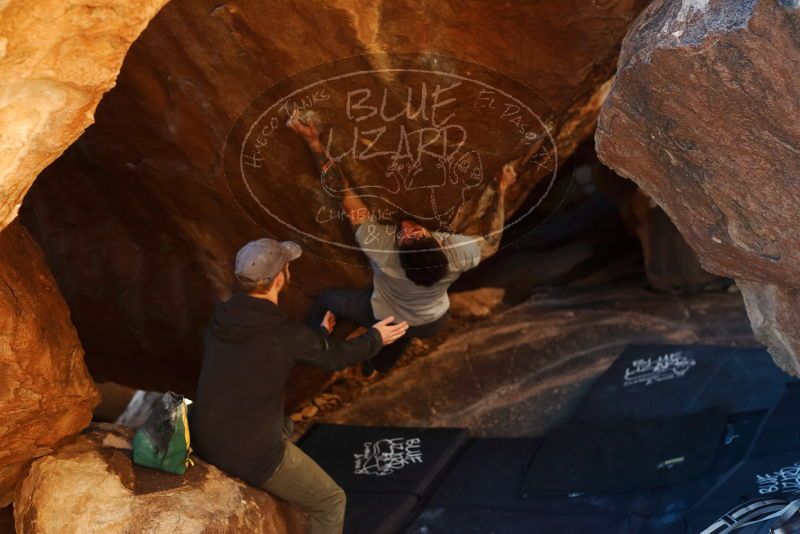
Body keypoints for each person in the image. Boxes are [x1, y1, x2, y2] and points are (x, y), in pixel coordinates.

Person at [190, 238, 409, 534]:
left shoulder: (223, 316)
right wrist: (376, 338)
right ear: (280, 278)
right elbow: (337, 358)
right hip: (248, 453)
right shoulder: (284, 334)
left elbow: (268, 352)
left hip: (204, 434)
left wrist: (317, 335)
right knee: (331, 501)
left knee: (286, 426)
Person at [288, 113, 517, 375]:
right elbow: (492, 242)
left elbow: (343, 194)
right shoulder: (457, 253)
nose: (407, 226)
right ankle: (377, 367)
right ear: (440, 247)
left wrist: (315, 145)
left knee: (328, 299)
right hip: (432, 321)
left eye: (405, 237)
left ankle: (310, 348)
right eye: (417, 233)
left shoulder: (383, 252)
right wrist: (501, 190)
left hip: (383, 314)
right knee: (403, 332)